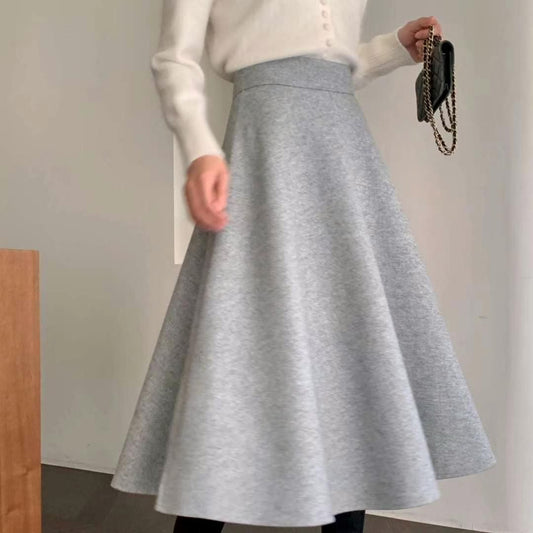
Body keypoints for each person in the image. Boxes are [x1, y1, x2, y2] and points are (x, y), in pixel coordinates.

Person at [110, 2, 497, 532]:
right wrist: (200, 150)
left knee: (351, 343)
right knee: (237, 337)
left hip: (341, 140)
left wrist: (391, 49)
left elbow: (327, 60)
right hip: (265, 137)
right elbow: (175, 58)